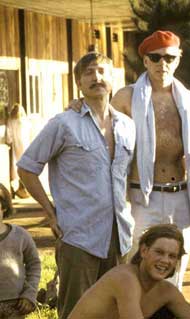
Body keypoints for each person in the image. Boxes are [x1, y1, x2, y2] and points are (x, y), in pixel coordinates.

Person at [17, 52, 136, 319]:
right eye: (89, 72)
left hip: (120, 237)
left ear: (113, 79)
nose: (97, 77)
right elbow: (26, 167)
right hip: (79, 235)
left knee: (116, 310)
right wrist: (49, 212)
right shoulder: (64, 124)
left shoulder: (127, 126)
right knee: (76, 312)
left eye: (103, 71)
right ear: (79, 83)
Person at [109, 30, 190, 289]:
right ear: (145, 61)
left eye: (169, 58)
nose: (163, 64)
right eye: (155, 58)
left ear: (178, 59)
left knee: (175, 272)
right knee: (135, 267)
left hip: (181, 196)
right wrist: (78, 106)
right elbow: (102, 131)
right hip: (140, 198)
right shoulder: (126, 98)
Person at [69, 224, 190, 319]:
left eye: (172, 256)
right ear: (144, 251)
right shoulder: (125, 278)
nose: (165, 260)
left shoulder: (167, 291)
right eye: (159, 252)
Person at [0, 183, 41, 319]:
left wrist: (29, 294)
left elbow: (34, 265)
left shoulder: (20, 236)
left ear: (4, 207)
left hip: (16, 306)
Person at [5, 103, 31, 198]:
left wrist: (9, 141)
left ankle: (19, 187)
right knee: (25, 166)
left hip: (16, 146)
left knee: (17, 165)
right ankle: (23, 187)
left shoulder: (11, 121)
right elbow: (30, 133)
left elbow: (9, 136)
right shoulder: (26, 121)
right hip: (26, 145)